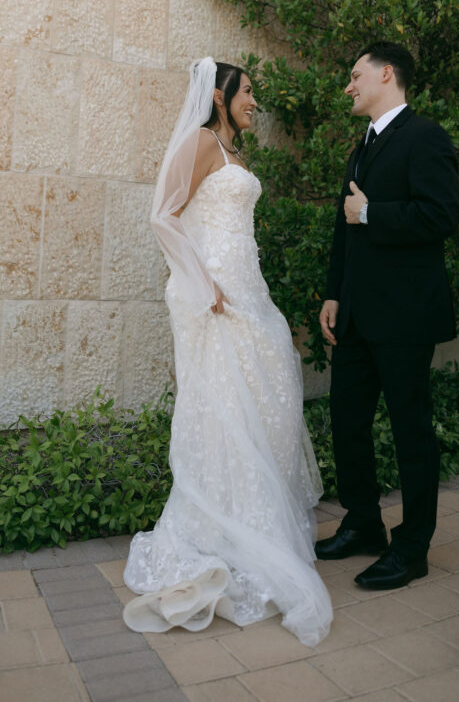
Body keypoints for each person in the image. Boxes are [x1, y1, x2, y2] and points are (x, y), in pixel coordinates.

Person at [122, 58, 332, 647]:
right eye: (247, 93)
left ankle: (259, 526)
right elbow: (163, 215)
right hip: (213, 298)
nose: (254, 102)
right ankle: (220, 531)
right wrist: (201, 283)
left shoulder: (236, 152)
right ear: (219, 95)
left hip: (249, 291)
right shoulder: (199, 141)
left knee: (272, 404)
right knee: (223, 409)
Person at [316, 41, 459, 590]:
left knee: (410, 433)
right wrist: (334, 293)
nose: (349, 86)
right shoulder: (364, 145)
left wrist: (372, 211)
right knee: (349, 424)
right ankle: (363, 524)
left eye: (355, 75)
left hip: (404, 319)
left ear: (386, 74)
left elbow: (440, 214)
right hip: (356, 315)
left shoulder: (426, 137)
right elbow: (343, 227)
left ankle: (413, 546)